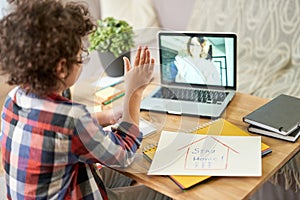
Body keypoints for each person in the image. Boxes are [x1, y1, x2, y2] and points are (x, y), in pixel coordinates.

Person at [0, 0, 170, 199]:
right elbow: (123, 155)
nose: (83, 58)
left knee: (130, 172)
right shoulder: (73, 118)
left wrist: (107, 116)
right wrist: (135, 91)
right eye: (81, 54)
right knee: (161, 190)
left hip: (53, 190)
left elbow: (55, 125)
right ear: (62, 68)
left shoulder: (13, 100)